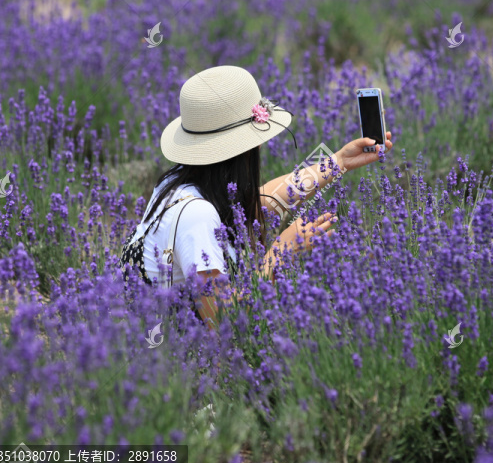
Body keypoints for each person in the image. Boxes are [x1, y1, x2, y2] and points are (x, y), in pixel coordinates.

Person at [120, 65, 393, 330]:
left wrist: (337, 162)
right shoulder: (196, 217)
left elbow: (260, 202)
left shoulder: (178, 182)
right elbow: (223, 323)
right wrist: (279, 253)